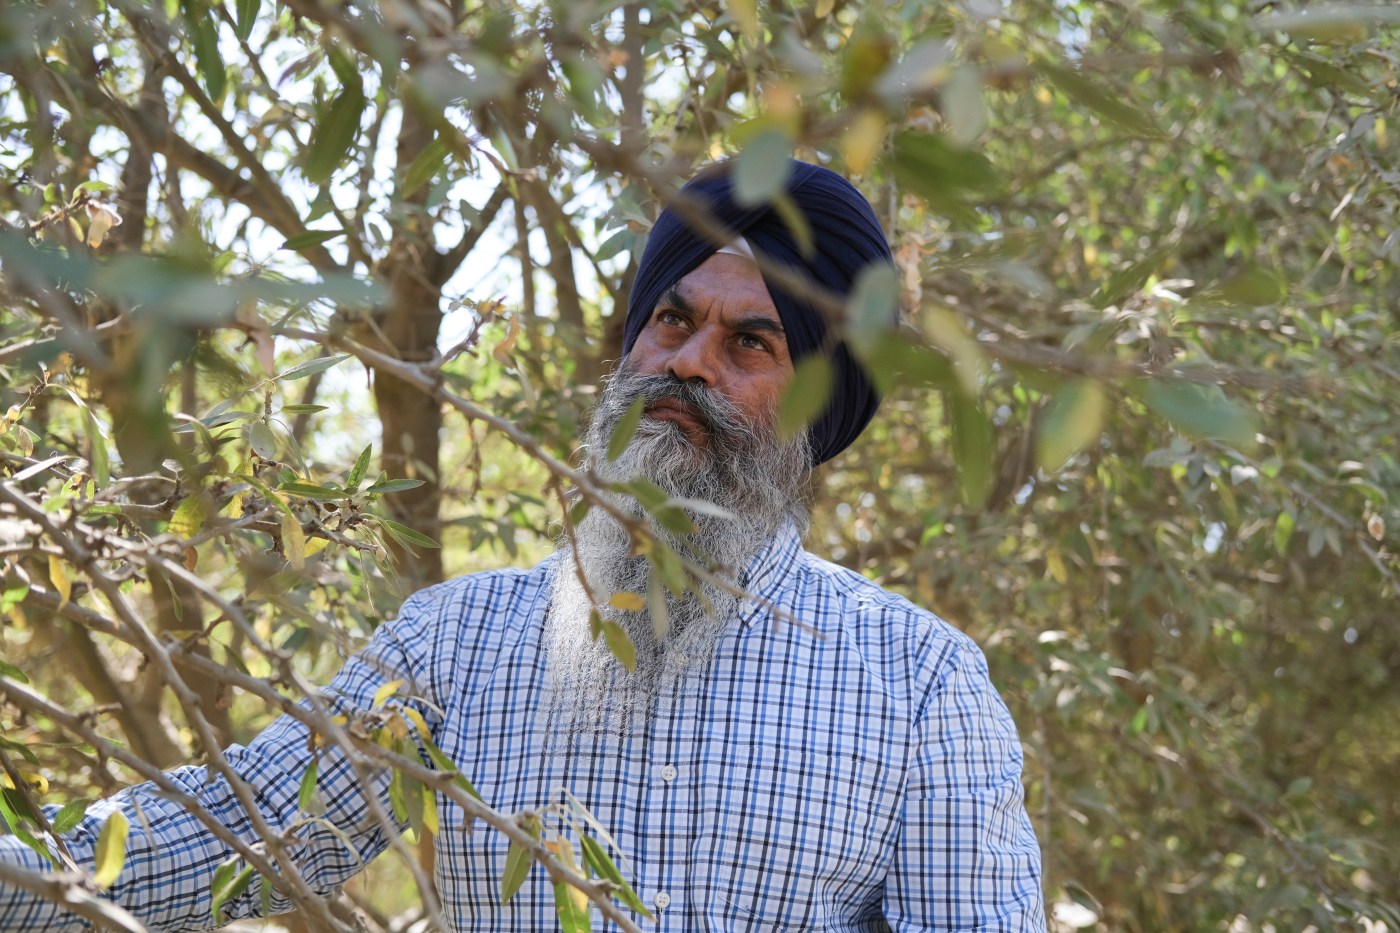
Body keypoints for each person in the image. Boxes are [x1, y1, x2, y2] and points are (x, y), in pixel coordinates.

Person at [0, 160, 1045, 930]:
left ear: (818, 401)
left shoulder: (915, 686)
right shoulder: (458, 643)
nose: (685, 365)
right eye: (670, 322)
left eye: (749, 343)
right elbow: (226, 834)